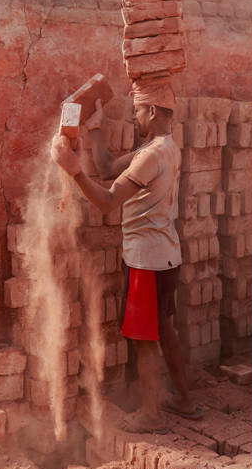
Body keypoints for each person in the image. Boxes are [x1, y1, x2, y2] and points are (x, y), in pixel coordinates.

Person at [50, 79, 199, 433]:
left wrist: (73, 171)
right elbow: (108, 168)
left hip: (146, 259)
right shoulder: (164, 146)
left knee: (144, 337)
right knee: (164, 329)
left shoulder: (151, 155)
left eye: (136, 111)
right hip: (165, 254)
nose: (134, 118)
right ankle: (185, 400)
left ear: (152, 111)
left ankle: (150, 415)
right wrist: (96, 130)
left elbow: (107, 202)